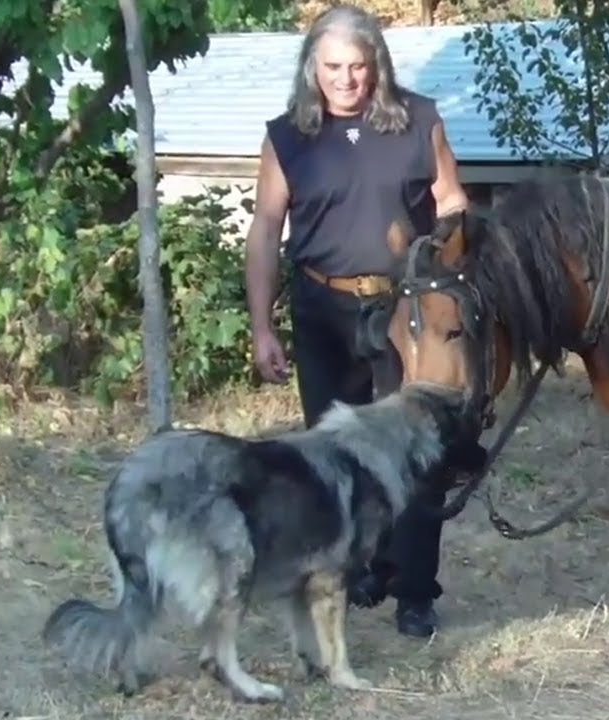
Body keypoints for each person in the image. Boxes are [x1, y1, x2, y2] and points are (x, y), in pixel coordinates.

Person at [242, 3, 470, 638]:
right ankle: (357, 571)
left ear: (378, 66)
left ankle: (415, 591)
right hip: (323, 308)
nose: (346, 80)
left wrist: (449, 260)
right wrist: (263, 326)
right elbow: (264, 230)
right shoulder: (288, 136)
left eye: (358, 67)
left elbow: (451, 198)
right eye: (333, 67)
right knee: (334, 454)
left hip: (406, 312)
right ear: (311, 67)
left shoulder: (419, 120)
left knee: (416, 450)